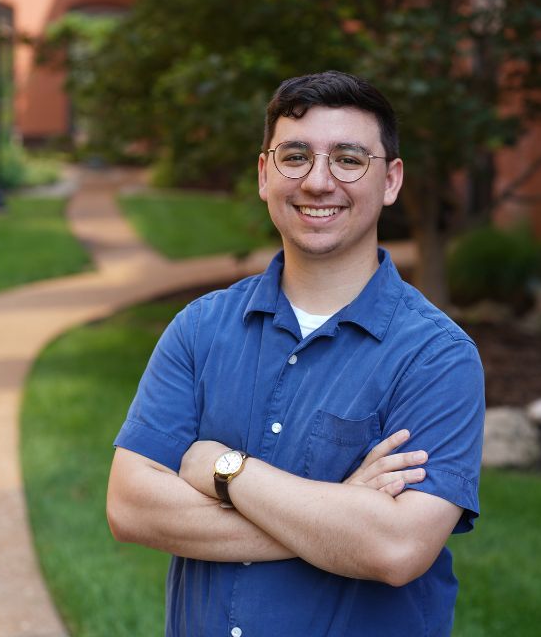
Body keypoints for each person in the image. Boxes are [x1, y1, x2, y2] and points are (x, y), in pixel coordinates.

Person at [107, 70, 484, 637]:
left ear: (391, 180)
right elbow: (131, 507)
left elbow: (397, 547)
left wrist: (221, 469)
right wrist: (338, 516)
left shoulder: (437, 357)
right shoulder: (200, 329)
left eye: (350, 159)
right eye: (296, 156)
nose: (318, 181)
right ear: (265, 174)